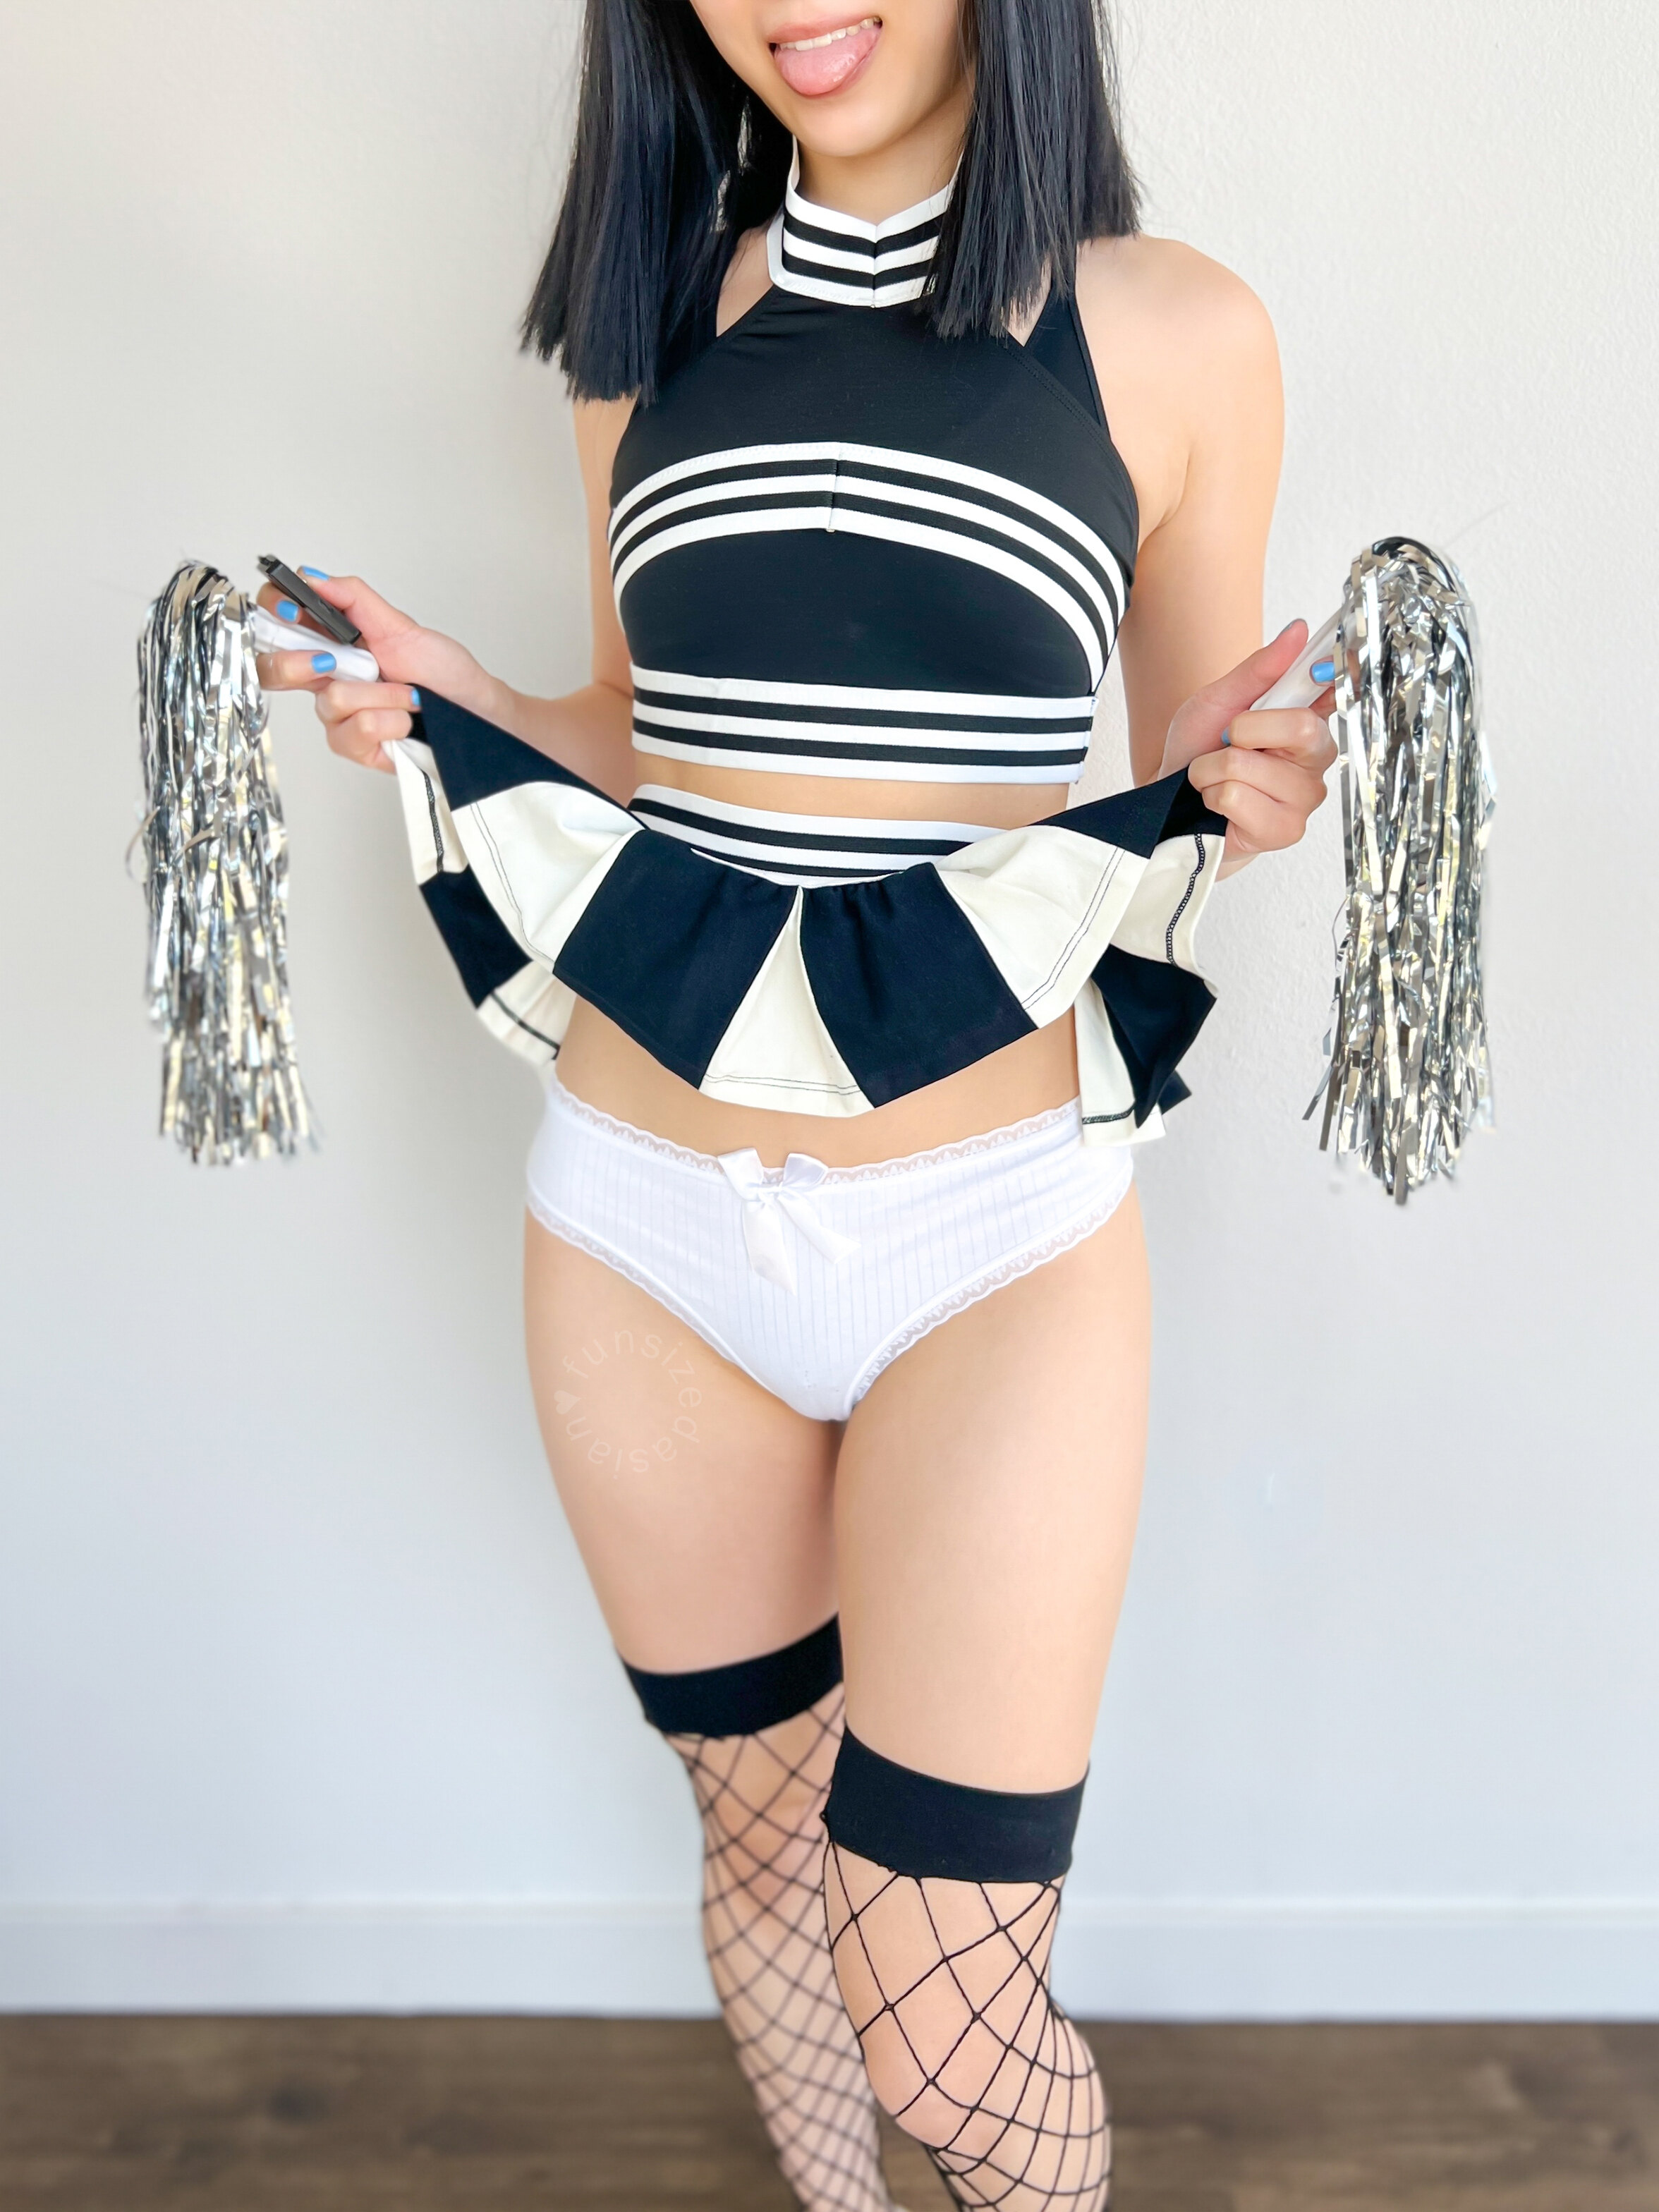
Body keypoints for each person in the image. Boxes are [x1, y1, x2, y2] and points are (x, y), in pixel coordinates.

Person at [259, 5, 1335, 2206]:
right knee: (760, 1847)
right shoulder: (652, 322)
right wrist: (459, 696)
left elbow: (1185, 767)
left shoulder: (1173, 330)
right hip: (640, 1227)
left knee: (946, 2008)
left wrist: (1268, 774)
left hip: (991, 1238)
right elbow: (640, 729)